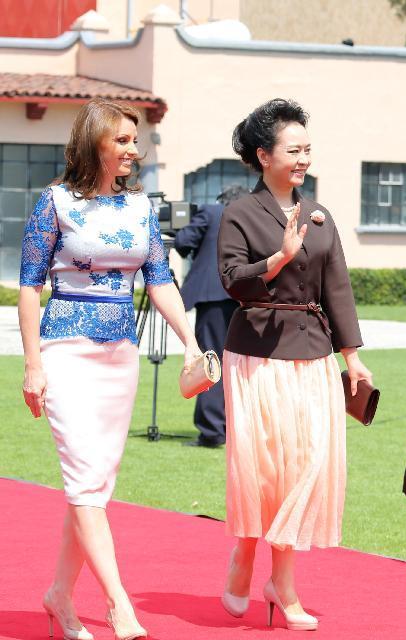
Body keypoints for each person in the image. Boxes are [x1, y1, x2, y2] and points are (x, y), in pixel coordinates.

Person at [18, 97, 201, 640]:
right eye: (121, 139)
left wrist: (191, 341)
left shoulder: (141, 207)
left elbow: (159, 279)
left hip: (121, 354)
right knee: (83, 477)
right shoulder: (54, 203)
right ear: (93, 140)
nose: (132, 149)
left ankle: (58, 597)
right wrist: (33, 366)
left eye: (134, 140)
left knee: (95, 483)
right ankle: (119, 603)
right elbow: (31, 286)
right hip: (64, 350)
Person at [217, 98, 372, 632]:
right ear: (264, 155)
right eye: (294, 149)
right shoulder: (238, 211)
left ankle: (279, 579)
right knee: (264, 471)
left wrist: (352, 358)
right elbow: (232, 279)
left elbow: (338, 288)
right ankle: (247, 554)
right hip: (256, 353)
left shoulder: (319, 214)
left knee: (308, 467)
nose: (304, 158)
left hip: (312, 355)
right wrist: (278, 258)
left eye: (308, 149)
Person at [174, 184, 249, 448]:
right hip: (245, 297)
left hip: (214, 297)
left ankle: (212, 431)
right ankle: (236, 429)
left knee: (211, 362)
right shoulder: (253, 217)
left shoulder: (211, 211)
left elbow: (183, 242)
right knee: (239, 365)